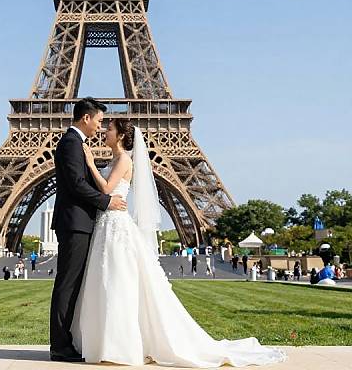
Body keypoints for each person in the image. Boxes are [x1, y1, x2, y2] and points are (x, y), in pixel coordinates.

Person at [70, 120, 286, 367]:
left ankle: (121, 345)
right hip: (108, 225)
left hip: (115, 225)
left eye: (108, 129)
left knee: (118, 281)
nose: (104, 132)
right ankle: (111, 344)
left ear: (119, 136)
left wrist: (88, 163)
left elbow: (107, 189)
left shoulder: (124, 161)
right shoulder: (113, 161)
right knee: (109, 281)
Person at [49, 98, 127, 363]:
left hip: (81, 222)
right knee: (67, 284)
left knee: (72, 285)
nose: (100, 126)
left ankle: (68, 341)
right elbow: (75, 184)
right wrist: (106, 202)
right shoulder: (72, 143)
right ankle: (60, 345)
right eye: (100, 121)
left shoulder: (76, 144)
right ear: (86, 118)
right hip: (74, 223)